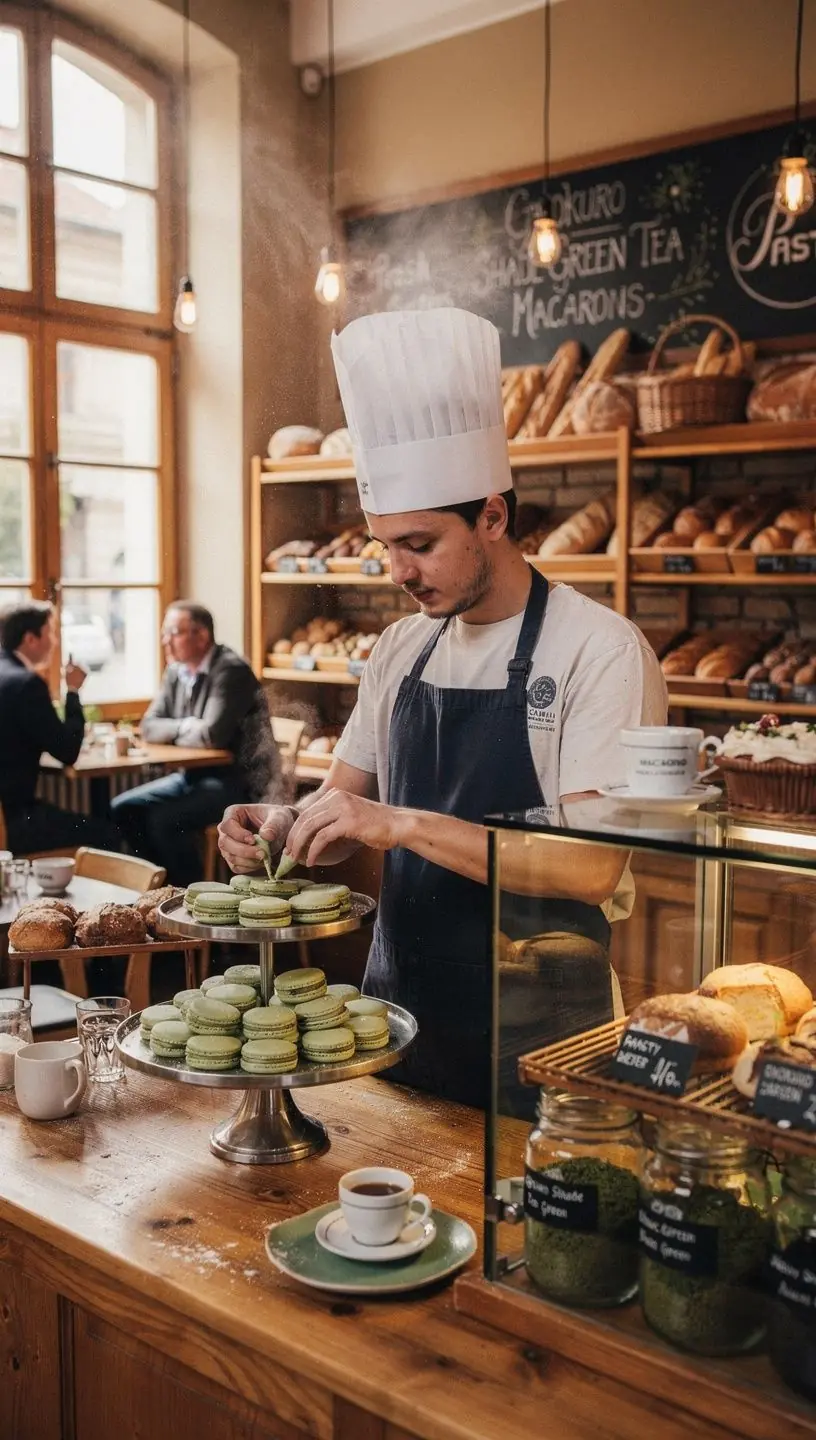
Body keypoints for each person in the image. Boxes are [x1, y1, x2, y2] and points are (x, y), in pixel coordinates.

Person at [218, 308, 668, 1108]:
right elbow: (342, 808)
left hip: (544, 1048)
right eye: (384, 544)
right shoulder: (402, 649)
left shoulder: (599, 650)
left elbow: (591, 866)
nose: (396, 569)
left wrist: (401, 825)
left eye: (419, 544)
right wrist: (282, 829)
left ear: (493, 516)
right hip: (396, 1023)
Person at [112, 601, 282, 885]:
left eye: (174, 633)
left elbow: (211, 735)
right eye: (165, 633)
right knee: (124, 808)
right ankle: (157, 886)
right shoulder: (176, 670)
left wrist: (180, 730)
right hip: (194, 776)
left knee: (162, 820)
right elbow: (149, 727)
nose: (165, 641)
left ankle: (188, 891)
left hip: (240, 783)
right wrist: (188, 726)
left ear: (201, 636)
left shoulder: (231, 671)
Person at [0, 600, 121, 853]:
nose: (55, 642)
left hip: (7, 814)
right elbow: (68, 751)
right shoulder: (26, 684)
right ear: (31, 639)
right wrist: (73, 690)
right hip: (14, 820)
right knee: (107, 834)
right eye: (50, 633)